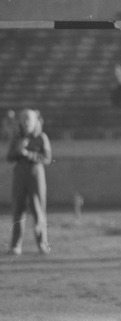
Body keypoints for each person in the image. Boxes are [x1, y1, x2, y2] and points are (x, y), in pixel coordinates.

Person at [7, 109, 52, 255]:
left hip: (36, 176)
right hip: (20, 176)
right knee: (18, 211)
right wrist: (18, 150)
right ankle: (15, 245)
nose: (26, 123)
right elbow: (9, 157)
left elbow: (47, 158)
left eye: (29, 120)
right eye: (24, 120)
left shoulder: (41, 137)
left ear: (35, 122)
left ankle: (42, 243)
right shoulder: (17, 138)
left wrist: (29, 154)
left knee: (39, 211)